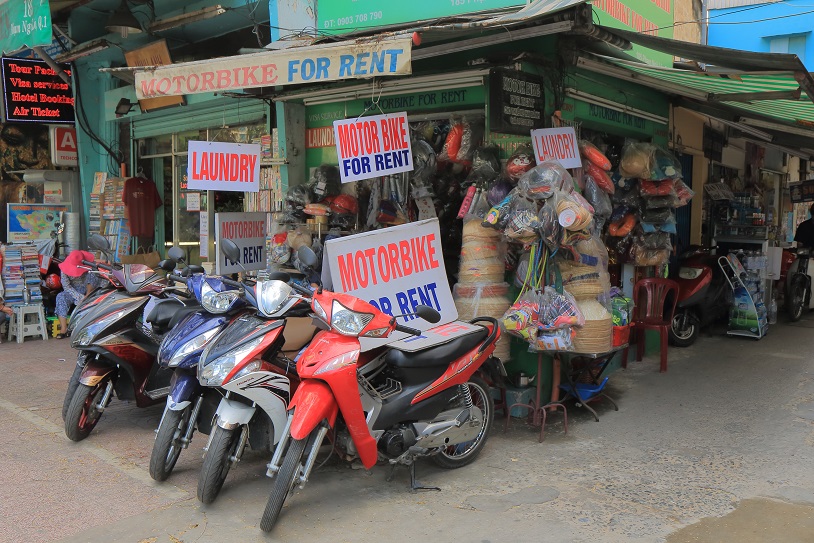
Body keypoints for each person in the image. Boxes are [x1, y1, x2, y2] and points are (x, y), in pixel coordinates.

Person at [55, 250, 99, 339]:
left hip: (89, 290)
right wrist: (80, 297)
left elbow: (93, 282)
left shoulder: (90, 266)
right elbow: (67, 287)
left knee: (94, 300)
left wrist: (87, 295)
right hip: (72, 291)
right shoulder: (64, 269)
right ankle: (64, 329)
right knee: (61, 297)